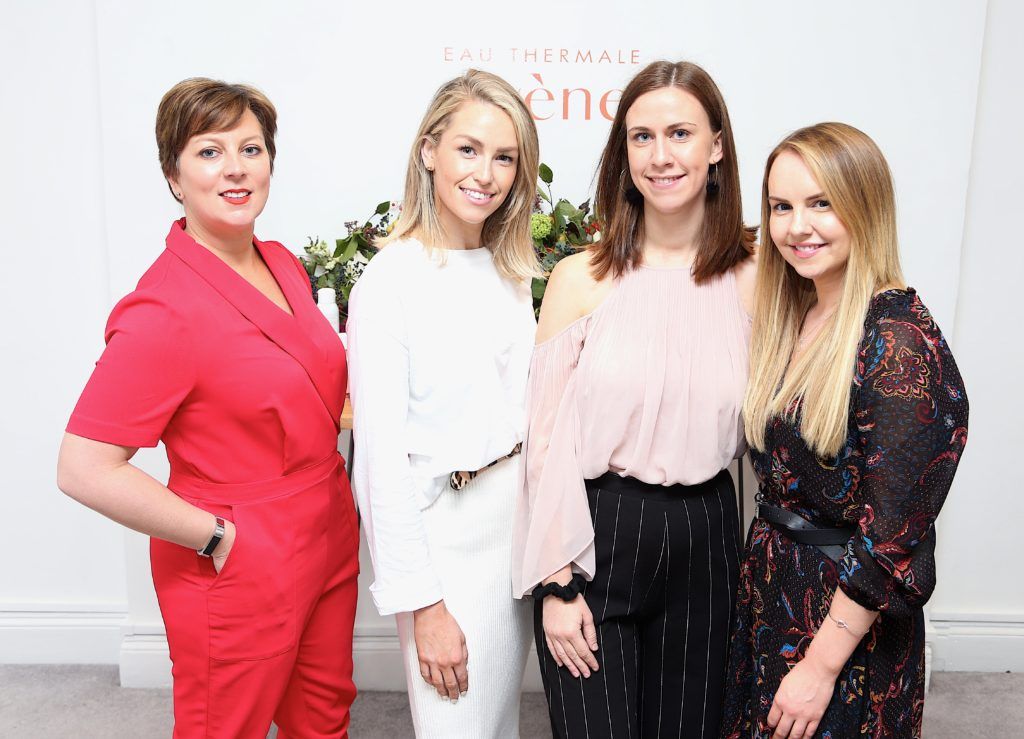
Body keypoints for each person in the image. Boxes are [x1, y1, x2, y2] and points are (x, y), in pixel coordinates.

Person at [57, 78, 359, 738]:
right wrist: (217, 536)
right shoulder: (164, 308)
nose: (235, 168)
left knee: (324, 717)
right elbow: (83, 466)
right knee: (224, 726)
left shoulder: (283, 264)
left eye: (250, 148)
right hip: (240, 551)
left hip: (327, 526)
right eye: (209, 151)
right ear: (173, 174)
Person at [512, 60, 757, 739]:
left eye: (679, 132)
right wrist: (557, 585)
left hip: (708, 533)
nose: (660, 155)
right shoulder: (578, 278)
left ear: (716, 146)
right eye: (641, 136)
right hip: (598, 530)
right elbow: (546, 445)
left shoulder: (757, 278)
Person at [722, 122, 969, 739]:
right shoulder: (803, 311)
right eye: (782, 206)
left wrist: (820, 666)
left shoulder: (897, 341)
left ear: (866, 206)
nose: (796, 227)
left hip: (841, 627)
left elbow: (890, 537)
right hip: (774, 599)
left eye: (821, 203)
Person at [346, 69, 539, 738]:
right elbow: (378, 464)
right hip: (446, 542)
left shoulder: (510, 270)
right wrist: (423, 604)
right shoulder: (391, 278)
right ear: (429, 150)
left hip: (507, 529)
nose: (486, 172)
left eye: (505, 156)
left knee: (497, 722)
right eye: (468, 148)